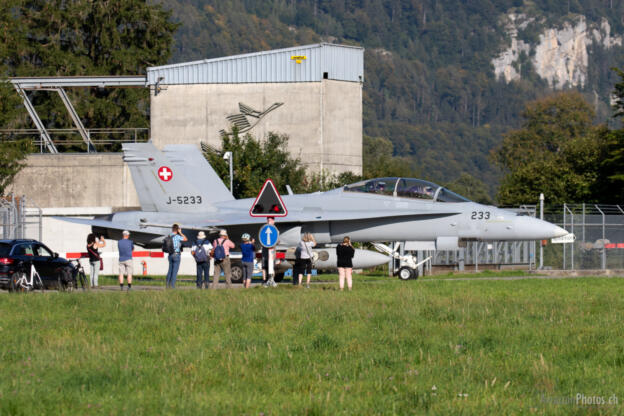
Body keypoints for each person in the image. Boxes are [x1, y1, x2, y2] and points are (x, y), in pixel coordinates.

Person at [166, 223, 187, 289]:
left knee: (170, 270)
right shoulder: (177, 236)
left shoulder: (169, 236)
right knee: (174, 271)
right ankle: (172, 286)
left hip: (170, 254)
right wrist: (180, 232)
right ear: (177, 229)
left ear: (172, 229)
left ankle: (167, 285)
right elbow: (185, 239)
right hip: (176, 254)